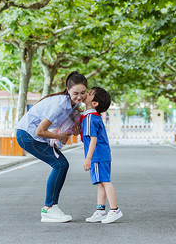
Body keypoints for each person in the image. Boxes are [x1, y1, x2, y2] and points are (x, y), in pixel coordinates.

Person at [16, 71, 87, 223]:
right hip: (27, 135)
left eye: (83, 93)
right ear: (68, 90)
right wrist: (59, 137)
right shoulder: (60, 104)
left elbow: (69, 126)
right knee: (60, 164)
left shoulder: (74, 106)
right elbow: (39, 131)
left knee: (61, 165)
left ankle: (51, 207)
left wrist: (75, 128)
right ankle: (49, 208)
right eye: (75, 93)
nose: (79, 97)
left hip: (32, 135)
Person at [80, 87, 123, 224]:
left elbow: (93, 139)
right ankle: (100, 210)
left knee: (105, 182)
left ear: (95, 104)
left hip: (97, 156)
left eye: (90, 94)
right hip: (100, 155)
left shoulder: (90, 118)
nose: (86, 94)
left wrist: (88, 158)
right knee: (100, 183)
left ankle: (115, 209)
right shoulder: (91, 116)